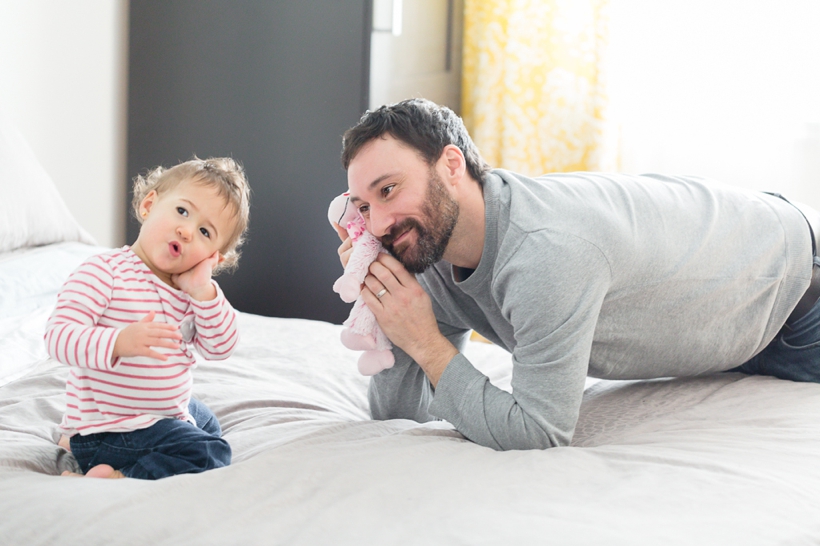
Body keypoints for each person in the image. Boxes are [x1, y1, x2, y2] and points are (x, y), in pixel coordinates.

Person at [333, 98, 820, 451]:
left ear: (451, 166)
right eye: (362, 207)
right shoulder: (431, 251)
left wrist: (426, 343)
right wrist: (387, 311)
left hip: (794, 299)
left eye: (390, 190)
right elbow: (398, 417)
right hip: (731, 314)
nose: (377, 224)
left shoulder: (546, 253)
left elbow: (539, 432)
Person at [45, 157, 251, 478]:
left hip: (154, 415)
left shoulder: (190, 290)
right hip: (110, 429)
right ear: (149, 205)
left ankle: (88, 451)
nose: (186, 230)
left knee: (208, 422)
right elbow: (58, 338)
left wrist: (203, 290)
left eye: (204, 232)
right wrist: (118, 342)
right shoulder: (105, 271)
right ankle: (118, 476)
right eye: (182, 211)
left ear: (214, 257)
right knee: (211, 451)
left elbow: (220, 346)